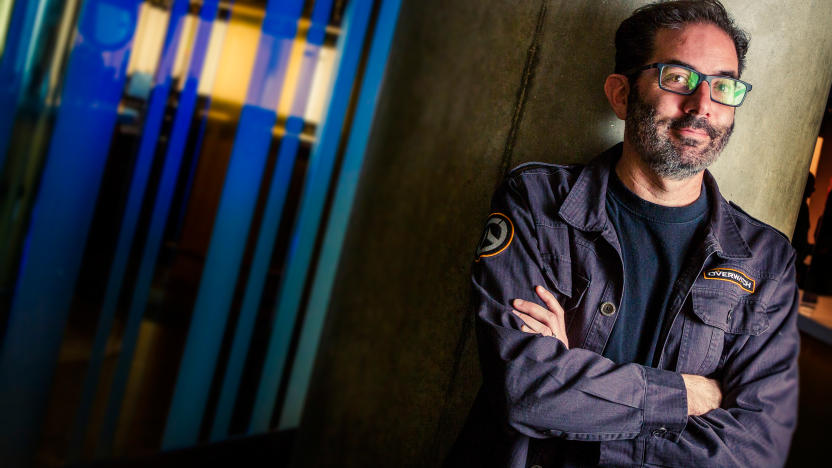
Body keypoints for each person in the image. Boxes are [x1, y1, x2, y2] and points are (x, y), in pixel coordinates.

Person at [448, 1, 799, 467]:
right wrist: (684, 396)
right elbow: (527, 389)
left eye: (723, 86)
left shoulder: (766, 261)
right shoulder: (535, 203)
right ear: (620, 94)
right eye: (678, 78)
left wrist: (578, 392)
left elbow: (755, 450)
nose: (702, 105)